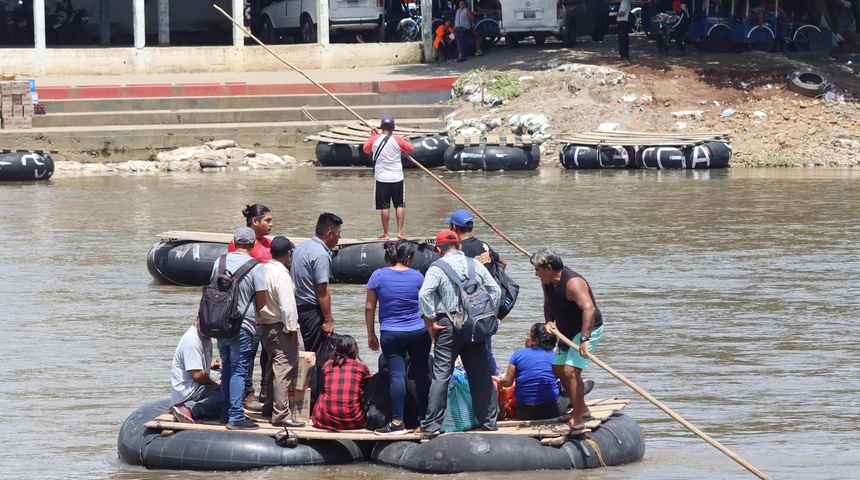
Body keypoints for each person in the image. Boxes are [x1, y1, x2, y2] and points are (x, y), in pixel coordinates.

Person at [416, 230, 501, 434]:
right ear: (459, 246)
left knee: (441, 376)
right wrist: (489, 316)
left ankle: (432, 425)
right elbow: (495, 291)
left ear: (438, 249)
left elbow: (424, 294)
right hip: (475, 325)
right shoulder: (475, 265)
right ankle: (489, 421)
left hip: (447, 326)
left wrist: (430, 322)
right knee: (480, 375)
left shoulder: (436, 268)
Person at [531, 248, 604, 435]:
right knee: (558, 368)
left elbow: (589, 310)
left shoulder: (573, 284)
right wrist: (549, 321)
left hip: (586, 330)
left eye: (538, 269)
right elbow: (548, 304)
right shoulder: (546, 282)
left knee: (572, 371)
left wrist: (585, 340)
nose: (535, 273)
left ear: (549, 267)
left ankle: (577, 420)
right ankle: (584, 410)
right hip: (565, 331)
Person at [364, 239, 432, 435]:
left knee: (397, 376)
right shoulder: (419, 277)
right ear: (409, 258)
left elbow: (370, 307)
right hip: (419, 332)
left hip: (391, 333)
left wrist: (371, 334)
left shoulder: (377, 276)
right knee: (421, 376)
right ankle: (425, 420)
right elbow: (427, 306)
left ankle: (397, 422)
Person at [215, 226, 267, 430]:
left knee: (227, 367)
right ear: (253, 244)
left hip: (219, 325)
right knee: (239, 370)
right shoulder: (256, 266)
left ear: (234, 242)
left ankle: (224, 412)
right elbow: (262, 300)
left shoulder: (219, 262)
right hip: (243, 325)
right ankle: (236, 416)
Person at [446, 208, 506, 375]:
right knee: (487, 348)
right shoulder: (484, 245)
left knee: (469, 350)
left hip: (470, 307)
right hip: (488, 305)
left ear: (454, 227)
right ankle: (494, 380)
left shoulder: (459, 251)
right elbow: (503, 263)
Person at [290, 212, 343, 402]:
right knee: (320, 356)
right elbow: (322, 290)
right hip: (312, 309)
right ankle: (318, 400)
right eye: (338, 233)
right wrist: (328, 320)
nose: (339, 237)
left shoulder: (301, 248)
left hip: (299, 308)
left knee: (309, 352)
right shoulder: (321, 254)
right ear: (329, 233)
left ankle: (309, 399)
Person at [228, 204, 273, 411]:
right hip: (249, 308)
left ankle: (266, 390)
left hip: (268, 307)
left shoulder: (266, 243)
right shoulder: (241, 247)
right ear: (255, 222)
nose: (271, 224)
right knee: (248, 353)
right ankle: (247, 393)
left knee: (268, 351)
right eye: (267, 221)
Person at [258, 236, 305, 428]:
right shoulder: (282, 275)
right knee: (282, 370)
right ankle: (281, 414)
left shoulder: (262, 270)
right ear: (289, 254)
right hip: (280, 326)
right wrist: (292, 329)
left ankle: (269, 407)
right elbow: (288, 307)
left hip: (264, 326)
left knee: (272, 368)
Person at [492, 323, 560, 420]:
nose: (526, 337)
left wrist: (497, 380)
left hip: (524, 412)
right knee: (567, 395)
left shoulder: (518, 354)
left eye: (528, 334)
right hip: (549, 411)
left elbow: (507, 382)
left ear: (535, 340)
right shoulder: (555, 357)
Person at [362, 117, 415, 240]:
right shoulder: (397, 140)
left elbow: (366, 149)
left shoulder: (374, 139)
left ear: (381, 127)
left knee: (384, 207)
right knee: (400, 205)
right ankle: (400, 232)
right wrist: (404, 141)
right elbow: (410, 149)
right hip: (397, 177)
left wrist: (372, 134)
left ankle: (386, 234)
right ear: (393, 128)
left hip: (382, 178)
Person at [311, 335, 372, 432]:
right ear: (355, 350)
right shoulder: (362, 368)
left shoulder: (327, 365)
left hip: (324, 420)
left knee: (324, 392)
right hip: (354, 421)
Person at [169, 317, 222, 424]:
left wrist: (209, 363)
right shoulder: (192, 341)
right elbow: (198, 375)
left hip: (195, 384)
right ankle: (189, 409)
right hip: (188, 391)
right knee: (228, 397)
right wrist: (215, 384)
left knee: (223, 374)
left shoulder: (205, 334)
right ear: (198, 318)